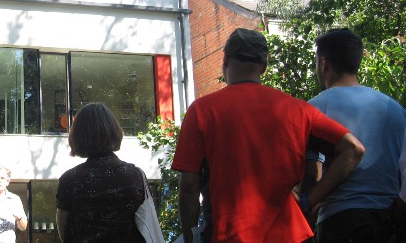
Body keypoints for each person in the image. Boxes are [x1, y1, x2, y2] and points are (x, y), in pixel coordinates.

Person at [172, 28, 365, 243]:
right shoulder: (297, 109)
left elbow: (189, 185)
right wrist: (309, 201)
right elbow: (353, 149)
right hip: (291, 235)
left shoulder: (202, 110)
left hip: (230, 235)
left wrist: (190, 236)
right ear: (264, 67)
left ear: (225, 60)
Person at [303, 28, 406, 242]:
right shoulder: (395, 109)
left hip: (340, 221)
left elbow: (311, 173)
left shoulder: (313, 110)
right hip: (390, 221)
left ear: (324, 63)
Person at [55, 102, 146, 243]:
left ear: (78, 135)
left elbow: (64, 233)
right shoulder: (134, 175)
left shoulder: (70, 179)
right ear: (114, 130)